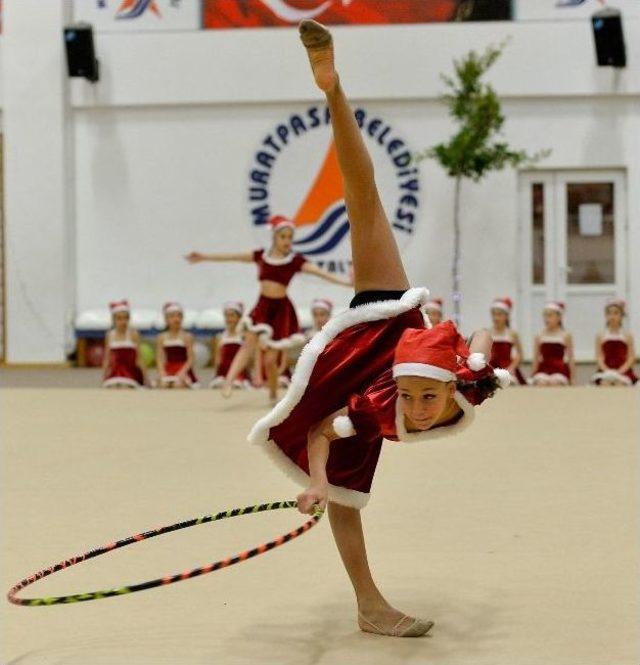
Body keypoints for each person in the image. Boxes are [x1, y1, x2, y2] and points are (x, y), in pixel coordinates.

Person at [248, 20, 510, 638]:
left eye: (425, 401)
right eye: (419, 400)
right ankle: (333, 90)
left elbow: (323, 429)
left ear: (442, 396)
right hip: (388, 325)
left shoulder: (379, 407)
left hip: (386, 363)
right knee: (363, 192)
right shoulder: (434, 391)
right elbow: (478, 346)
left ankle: (369, 604)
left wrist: (320, 483)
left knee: (345, 492)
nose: (418, 411)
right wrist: (475, 360)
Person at [186, 217, 351, 402]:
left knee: (270, 360)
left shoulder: (294, 261)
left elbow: (322, 273)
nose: (287, 241)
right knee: (248, 343)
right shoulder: (261, 256)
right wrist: (204, 257)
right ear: (274, 237)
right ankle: (229, 380)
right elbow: (232, 257)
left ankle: (273, 393)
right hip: (263, 306)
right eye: (283, 236)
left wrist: (346, 282)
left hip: (281, 311)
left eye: (290, 237)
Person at [592, 298, 637, 386]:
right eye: (609, 313)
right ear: (606, 316)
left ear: (621, 316)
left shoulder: (627, 335)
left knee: (620, 384)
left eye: (616, 313)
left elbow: (631, 357)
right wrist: (606, 370)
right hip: (606, 369)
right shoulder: (601, 335)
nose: (612, 316)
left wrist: (620, 371)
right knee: (605, 383)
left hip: (623, 369)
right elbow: (599, 356)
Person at [102, 300, 146, 389]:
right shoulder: (110, 335)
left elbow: (139, 358)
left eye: (126, 318)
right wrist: (104, 375)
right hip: (115, 371)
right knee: (113, 386)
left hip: (131, 370)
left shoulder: (133, 334)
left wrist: (145, 377)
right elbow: (107, 358)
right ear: (113, 320)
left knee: (125, 386)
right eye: (119, 318)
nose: (123, 322)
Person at [529, 302, 575, 386]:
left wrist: (572, 378)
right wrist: (532, 374)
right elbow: (536, 358)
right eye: (545, 316)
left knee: (555, 383)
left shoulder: (565, 335)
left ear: (559, 317)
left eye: (550, 316)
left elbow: (571, 358)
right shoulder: (539, 335)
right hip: (544, 368)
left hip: (559, 369)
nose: (547, 319)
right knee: (541, 382)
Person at [156, 302, 199, 389]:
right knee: (163, 384)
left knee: (178, 384)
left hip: (183, 369)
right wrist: (162, 372)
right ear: (166, 319)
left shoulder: (187, 336)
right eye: (172, 316)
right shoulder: (161, 337)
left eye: (179, 316)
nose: (176, 319)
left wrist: (182, 372)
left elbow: (191, 358)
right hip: (169, 368)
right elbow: (159, 358)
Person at [210, 301, 251, 389]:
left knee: (236, 385)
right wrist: (216, 374)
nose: (229, 319)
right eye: (227, 316)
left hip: (239, 373)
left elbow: (248, 359)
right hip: (223, 373)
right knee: (219, 385)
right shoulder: (220, 337)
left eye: (232, 315)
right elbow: (218, 359)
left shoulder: (244, 336)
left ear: (239, 317)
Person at [488, 297, 526, 385]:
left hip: (507, 367)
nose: (496, 318)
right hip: (491, 367)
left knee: (509, 382)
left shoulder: (512, 334)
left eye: (499, 315)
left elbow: (520, 354)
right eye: (494, 314)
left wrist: (512, 367)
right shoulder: (488, 333)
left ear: (506, 316)